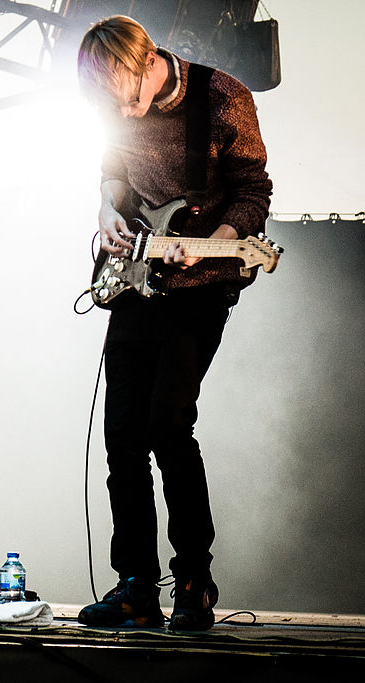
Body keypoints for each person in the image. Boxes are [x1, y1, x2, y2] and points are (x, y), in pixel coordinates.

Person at [75, 16, 271, 631]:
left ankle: (194, 580)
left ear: (147, 64)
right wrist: (107, 209)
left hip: (202, 284)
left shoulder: (221, 96)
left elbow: (252, 191)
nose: (125, 116)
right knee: (122, 437)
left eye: (127, 100)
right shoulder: (114, 105)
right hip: (137, 280)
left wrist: (216, 240)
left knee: (168, 424)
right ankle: (135, 583)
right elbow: (113, 169)